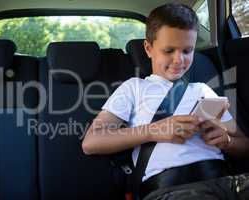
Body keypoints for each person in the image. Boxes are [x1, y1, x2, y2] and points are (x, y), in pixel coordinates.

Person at [82, 3, 249, 200]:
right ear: (148, 48)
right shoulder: (134, 88)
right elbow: (91, 142)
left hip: (227, 182)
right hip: (171, 190)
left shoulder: (203, 90)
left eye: (187, 51)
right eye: (169, 50)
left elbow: (244, 145)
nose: (179, 59)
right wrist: (154, 130)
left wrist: (226, 141)